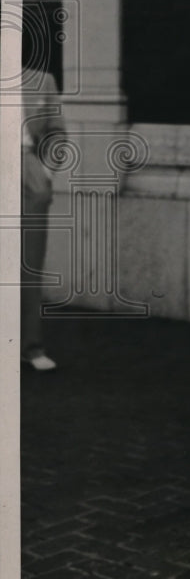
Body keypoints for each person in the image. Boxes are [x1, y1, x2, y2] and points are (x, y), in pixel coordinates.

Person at [20, 62, 65, 371]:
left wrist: (45, 171)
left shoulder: (42, 80)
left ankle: (30, 347)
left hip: (28, 168)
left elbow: (57, 134)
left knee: (29, 264)